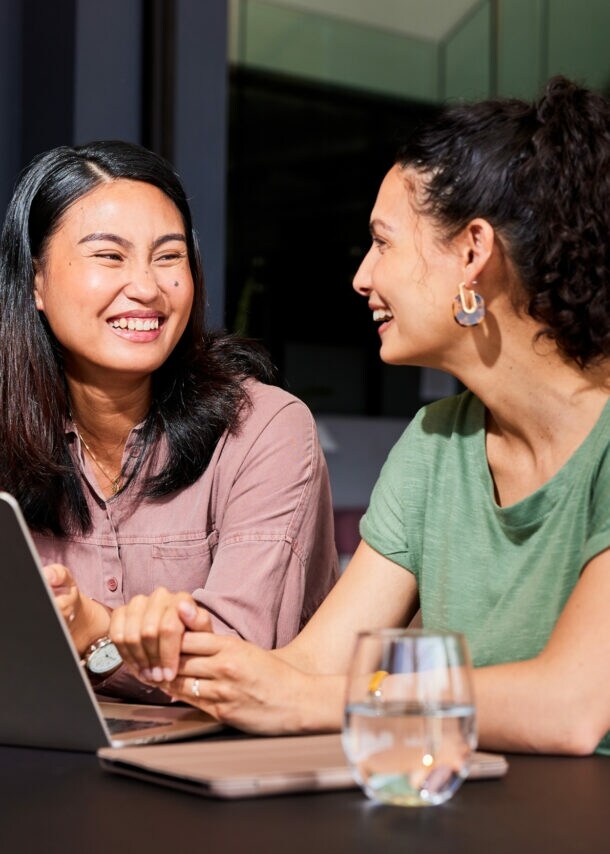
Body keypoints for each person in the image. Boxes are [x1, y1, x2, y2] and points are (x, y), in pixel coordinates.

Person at [109, 76, 610, 754]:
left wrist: (311, 700)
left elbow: (572, 707)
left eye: (383, 242)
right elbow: (310, 668)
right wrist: (158, 645)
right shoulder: (436, 443)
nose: (361, 277)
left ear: (472, 252)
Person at [0, 140, 338, 700]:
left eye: (168, 256)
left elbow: (242, 653)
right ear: (35, 281)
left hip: (229, 772)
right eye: (109, 256)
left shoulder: (264, 430)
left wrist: (95, 636)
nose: (147, 288)